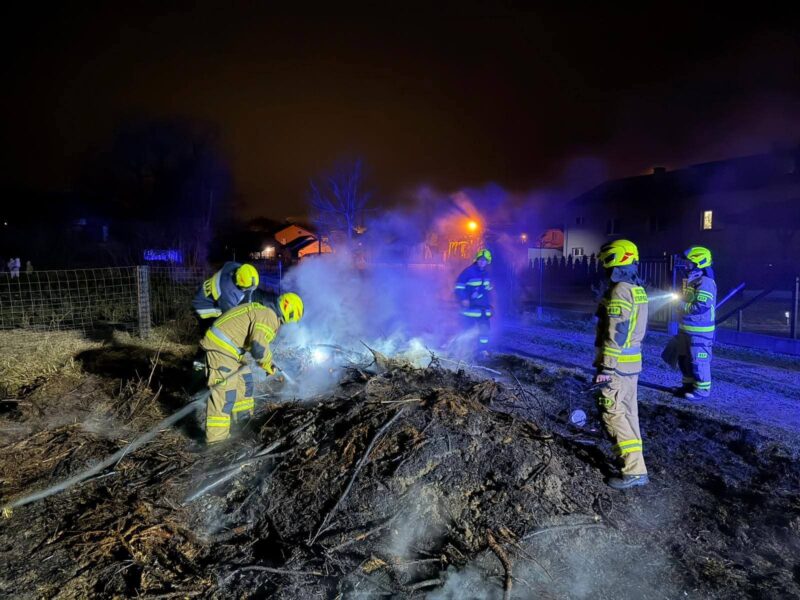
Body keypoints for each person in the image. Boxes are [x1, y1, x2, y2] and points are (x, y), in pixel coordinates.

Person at [200, 292, 304, 444]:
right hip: (221, 349)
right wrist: (267, 364)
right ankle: (216, 441)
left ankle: (243, 423)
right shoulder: (269, 316)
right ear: (291, 313)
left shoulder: (264, 311)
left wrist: (268, 362)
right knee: (225, 394)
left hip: (231, 350)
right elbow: (258, 348)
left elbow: (253, 341)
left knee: (245, 381)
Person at [594, 239, 649, 490]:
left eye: (606, 260)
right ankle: (636, 466)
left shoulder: (620, 290)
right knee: (628, 413)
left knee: (612, 413)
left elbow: (617, 332)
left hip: (616, 367)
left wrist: (606, 367)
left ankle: (633, 471)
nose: (604, 266)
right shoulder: (636, 288)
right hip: (631, 366)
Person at [675, 246, 716, 400]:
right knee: (684, 360)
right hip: (686, 328)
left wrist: (680, 305)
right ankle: (688, 386)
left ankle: (702, 390)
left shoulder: (705, 282)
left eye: (689, 263)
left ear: (699, 262)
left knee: (699, 361)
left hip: (700, 332)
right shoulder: (693, 280)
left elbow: (700, 307)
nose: (686, 265)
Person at [192, 262, 260, 329]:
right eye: (246, 288)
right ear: (238, 283)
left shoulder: (232, 266)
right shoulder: (228, 295)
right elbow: (231, 317)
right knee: (220, 327)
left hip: (202, 293)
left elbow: (248, 292)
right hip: (202, 309)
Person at [454, 248, 493, 357]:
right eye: (481, 259)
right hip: (470, 308)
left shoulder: (486, 274)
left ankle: (482, 351)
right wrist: (463, 299)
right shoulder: (468, 272)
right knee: (467, 330)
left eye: (485, 260)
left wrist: (490, 305)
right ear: (477, 259)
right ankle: (460, 350)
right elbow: (459, 287)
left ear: (488, 261)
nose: (482, 262)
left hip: (483, 309)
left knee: (484, 331)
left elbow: (486, 290)